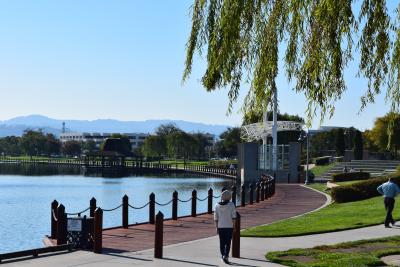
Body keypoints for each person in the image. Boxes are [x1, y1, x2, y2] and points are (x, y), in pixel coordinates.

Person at [214, 190, 236, 264]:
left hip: (220, 226)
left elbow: (216, 218)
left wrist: (216, 227)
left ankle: (222, 255)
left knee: (222, 242)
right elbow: (234, 217)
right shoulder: (231, 205)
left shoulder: (216, 205)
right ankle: (226, 255)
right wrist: (234, 226)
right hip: (229, 226)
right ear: (229, 197)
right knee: (228, 242)